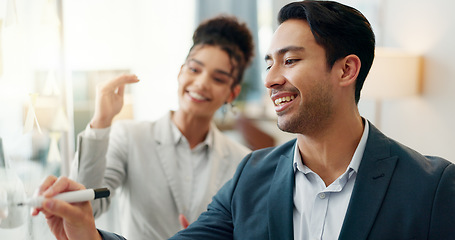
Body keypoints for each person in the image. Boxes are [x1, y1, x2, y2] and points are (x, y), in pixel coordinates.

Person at [33, 1, 455, 240]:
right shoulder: (252, 175)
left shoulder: (431, 187)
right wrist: (88, 233)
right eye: (270, 63)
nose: (271, 79)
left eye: (290, 61)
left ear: (346, 71)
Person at [66, 15, 254, 240]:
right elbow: (85, 207)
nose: (202, 83)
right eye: (195, 70)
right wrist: (101, 122)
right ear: (180, 72)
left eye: (218, 79)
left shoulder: (243, 163)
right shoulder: (129, 137)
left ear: (232, 93)